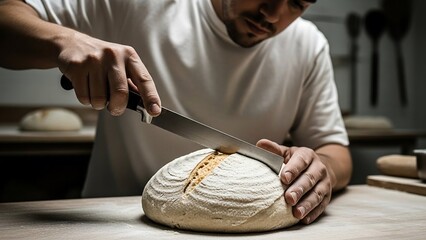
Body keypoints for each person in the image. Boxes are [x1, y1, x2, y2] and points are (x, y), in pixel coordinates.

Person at [0, 0, 352, 224]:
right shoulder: (139, 5)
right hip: (112, 227)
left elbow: (334, 151)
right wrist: (64, 42)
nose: (274, 14)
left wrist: (323, 171)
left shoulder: (309, 45)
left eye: (297, 3)